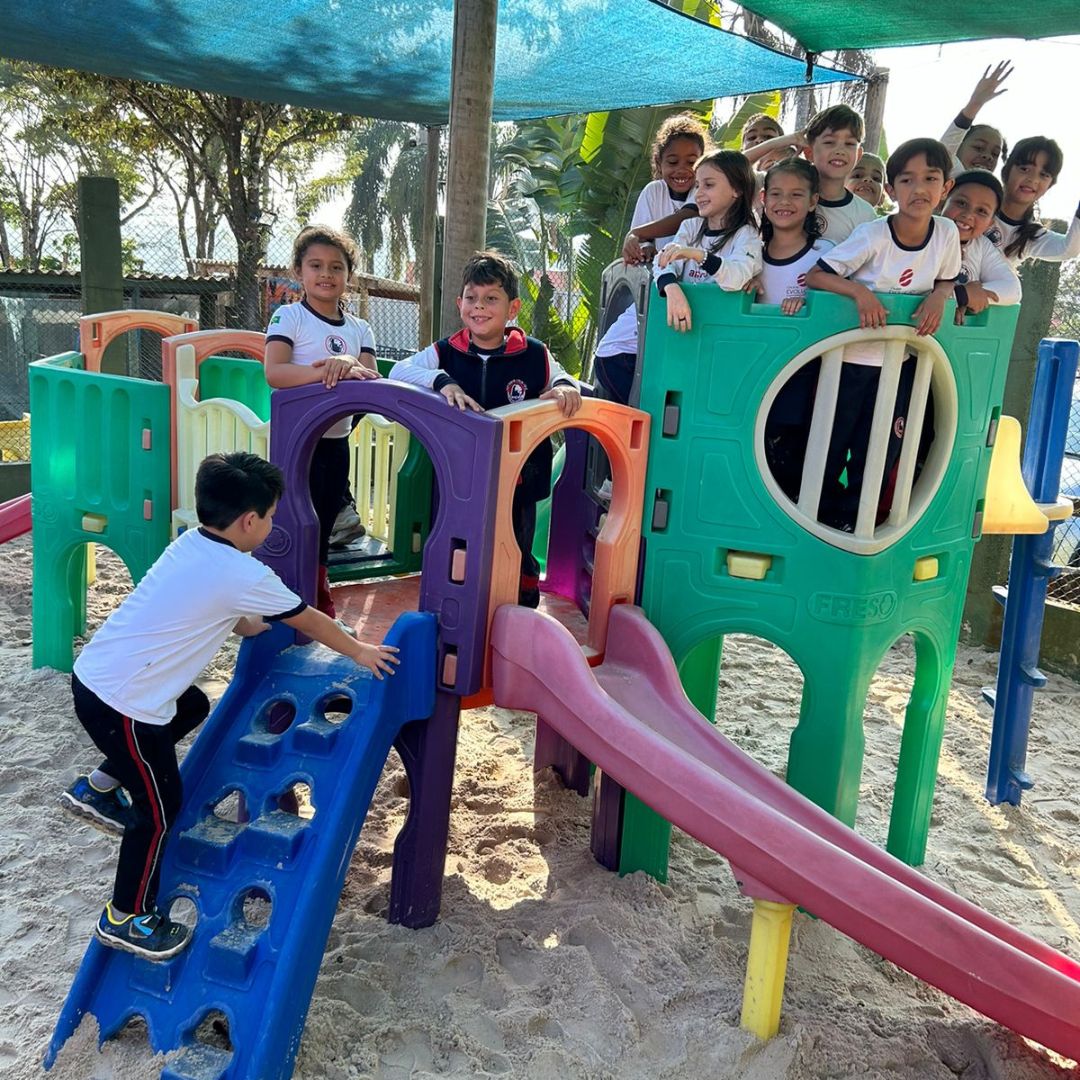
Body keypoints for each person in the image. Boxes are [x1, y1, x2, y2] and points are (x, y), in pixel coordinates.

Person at [60, 452, 399, 961]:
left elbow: (199, 601)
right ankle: (124, 918)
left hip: (98, 681)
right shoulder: (244, 573)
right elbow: (309, 620)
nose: (271, 524)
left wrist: (243, 623)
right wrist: (361, 650)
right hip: (124, 705)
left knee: (192, 704)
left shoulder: (191, 545)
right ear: (249, 521)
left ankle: (99, 786)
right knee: (158, 811)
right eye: (271, 516)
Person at [389, 252, 582, 608]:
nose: (479, 307)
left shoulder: (533, 353)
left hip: (521, 474)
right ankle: (460, 605)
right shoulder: (447, 351)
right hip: (461, 474)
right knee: (459, 540)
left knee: (518, 540)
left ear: (513, 308)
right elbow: (398, 372)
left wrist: (564, 385)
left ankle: (520, 606)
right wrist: (442, 381)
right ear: (460, 303)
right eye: (472, 298)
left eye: (491, 298)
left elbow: (563, 377)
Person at [805, 138, 961, 532]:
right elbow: (817, 275)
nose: (919, 189)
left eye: (931, 179)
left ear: (946, 188)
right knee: (832, 444)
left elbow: (946, 279)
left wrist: (940, 297)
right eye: (907, 180)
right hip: (849, 365)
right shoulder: (874, 235)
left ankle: (859, 521)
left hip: (900, 367)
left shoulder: (945, 234)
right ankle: (816, 520)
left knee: (881, 448)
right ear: (891, 191)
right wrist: (860, 292)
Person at [265, 225, 380, 621]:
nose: (326, 274)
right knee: (293, 519)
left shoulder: (358, 328)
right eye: (315, 265)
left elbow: (371, 380)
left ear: (349, 275)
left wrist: (349, 365)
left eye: (336, 266)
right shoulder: (290, 316)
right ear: (299, 271)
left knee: (325, 519)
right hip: (295, 443)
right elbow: (276, 373)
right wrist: (328, 371)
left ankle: (317, 593)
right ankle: (286, 598)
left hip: (334, 441)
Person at [594, 114, 708, 405]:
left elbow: (685, 218)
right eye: (673, 161)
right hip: (658, 292)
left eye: (692, 161)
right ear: (659, 164)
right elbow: (645, 245)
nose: (683, 169)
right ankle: (643, 412)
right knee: (608, 354)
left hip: (697, 292)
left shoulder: (705, 191)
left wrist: (634, 234)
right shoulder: (653, 191)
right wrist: (640, 247)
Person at [752, 158, 834, 500]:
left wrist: (808, 306)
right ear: (763, 198)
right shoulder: (750, 254)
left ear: (813, 201)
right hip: (756, 371)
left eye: (797, 194)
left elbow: (836, 308)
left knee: (793, 458)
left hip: (803, 375)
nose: (785, 202)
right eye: (777, 194)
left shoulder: (825, 254)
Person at [654, 149, 763, 333]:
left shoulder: (747, 234)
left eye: (708, 185)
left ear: (737, 190)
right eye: (697, 185)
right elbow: (662, 261)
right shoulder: (691, 227)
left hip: (720, 331)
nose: (698, 194)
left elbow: (736, 278)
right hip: (683, 328)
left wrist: (698, 256)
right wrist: (671, 287)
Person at [745, 105, 877, 244]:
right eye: (829, 142)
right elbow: (728, 170)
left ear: (858, 155)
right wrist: (787, 140)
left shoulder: (865, 214)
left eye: (849, 144)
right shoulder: (777, 190)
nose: (840, 150)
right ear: (809, 152)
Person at [986, 136, 1080, 267]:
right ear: (1007, 170)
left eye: (1044, 175)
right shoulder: (977, 200)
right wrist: (968, 115)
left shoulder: (1032, 237)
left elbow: (1068, 250)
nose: (1033, 179)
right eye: (1024, 169)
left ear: (1050, 185)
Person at [941, 170, 1022, 321]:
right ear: (943, 200)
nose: (968, 214)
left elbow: (1013, 289)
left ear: (990, 223)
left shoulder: (981, 245)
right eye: (961, 203)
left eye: (981, 211)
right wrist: (959, 296)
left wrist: (968, 296)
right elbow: (908, 285)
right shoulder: (923, 235)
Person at [940, 62, 1012, 176]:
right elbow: (945, 148)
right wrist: (975, 104)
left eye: (995, 154)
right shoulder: (952, 175)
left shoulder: (993, 191)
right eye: (979, 148)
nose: (987, 156)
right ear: (958, 147)